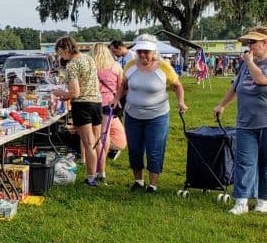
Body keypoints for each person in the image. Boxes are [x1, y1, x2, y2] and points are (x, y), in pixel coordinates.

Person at [213, 26, 267, 215]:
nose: (249, 46)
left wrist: (249, 62)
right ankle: (241, 201)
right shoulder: (246, 65)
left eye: (252, 42)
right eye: (248, 42)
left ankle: (262, 199)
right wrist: (222, 105)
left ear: (265, 43)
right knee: (244, 161)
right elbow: (235, 86)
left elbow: (261, 80)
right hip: (246, 122)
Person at [119, 35, 187, 194]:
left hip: (157, 115)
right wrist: (117, 99)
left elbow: (177, 86)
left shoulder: (164, 67)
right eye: (140, 51)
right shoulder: (130, 65)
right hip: (132, 114)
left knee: (154, 149)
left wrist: (181, 102)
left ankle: (153, 184)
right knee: (135, 149)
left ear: (154, 52)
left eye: (147, 52)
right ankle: (138, 181)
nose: (143, 55)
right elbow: (123, 84)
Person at [52, 37, 103, 186]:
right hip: (96, 102)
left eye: (61, 53)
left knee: (89, 143)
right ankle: (101, 173)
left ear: (66, 50)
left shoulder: (72, 65)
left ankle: (91, 178)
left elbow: (74, 92)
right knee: (97, 141)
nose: (61, 56)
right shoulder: (89, 59)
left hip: (82, 105)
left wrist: (60, 93)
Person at [92, 43, 123, 182]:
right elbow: (121, 86)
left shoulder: (92, 66)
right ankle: (102, 169)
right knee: (105, 135)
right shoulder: (116, 66)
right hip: (110, 103)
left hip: (94, 103)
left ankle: (95, 167)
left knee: (95, 136)